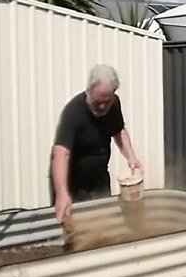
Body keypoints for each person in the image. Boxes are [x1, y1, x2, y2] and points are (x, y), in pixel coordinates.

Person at [50, 64, 143, 223]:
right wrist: (62, 193)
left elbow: (119, 130)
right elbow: (60, 153)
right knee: (76, 229)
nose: (101, 107)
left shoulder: (113, 105)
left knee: (103, 223)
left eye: (106, 102)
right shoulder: (73, 112)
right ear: (88, 90)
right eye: (97, 101)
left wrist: (131, 157)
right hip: (72, 183)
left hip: (99, 178)